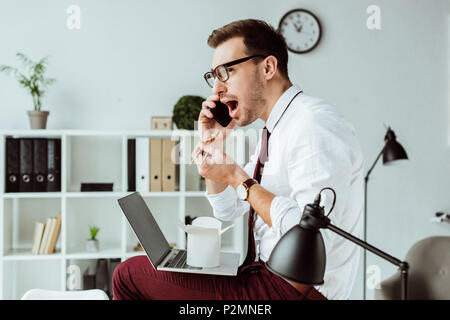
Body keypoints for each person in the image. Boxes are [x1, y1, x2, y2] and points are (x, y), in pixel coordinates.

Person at [113, 19, 364, 300]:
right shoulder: (273, 131)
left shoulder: (313, 124)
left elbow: (311, 237)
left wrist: (235, 175)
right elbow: (228, 210)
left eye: (227, 72)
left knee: (129, 274)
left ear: (267, 67)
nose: (217, 90)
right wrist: (215, 147)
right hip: (263, 275)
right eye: (213, 76)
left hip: (291, 291)